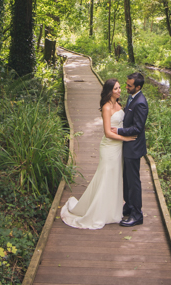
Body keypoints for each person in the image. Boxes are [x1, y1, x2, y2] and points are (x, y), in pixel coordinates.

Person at [59, 78, 137, 229]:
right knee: (106, 177)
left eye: (120, 88)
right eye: (116, 89)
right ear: (109, 91)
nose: (119, 90)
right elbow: (107, 133)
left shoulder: (119, 104)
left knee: (115, 177)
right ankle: (98, 211)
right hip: (109, 147)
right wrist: (125, 138)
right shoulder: (106, 107)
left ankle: (112, 210)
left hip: (119, 147)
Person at [117, 71, 148, 227]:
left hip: (134, 147)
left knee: (134, 181)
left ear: (138, 87)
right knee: (127, 179)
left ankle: (137, 214)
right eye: (126, 84)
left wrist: (117, 131)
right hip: (127, 145)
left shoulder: (141, 102)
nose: (126, 87)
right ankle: (128, 206)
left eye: (129, 86)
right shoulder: (132, 97)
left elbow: (137, 128)